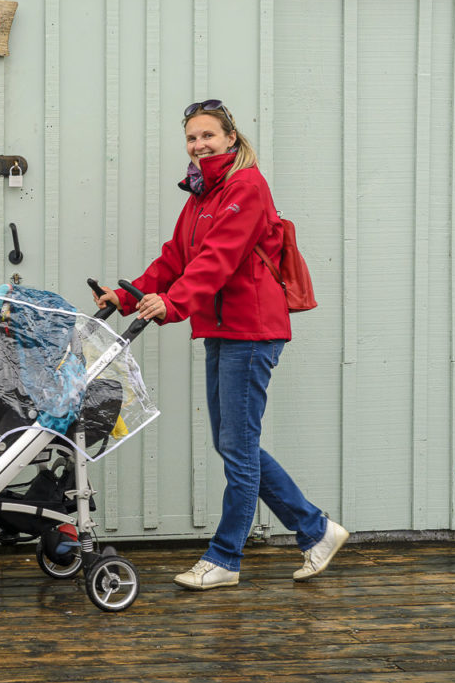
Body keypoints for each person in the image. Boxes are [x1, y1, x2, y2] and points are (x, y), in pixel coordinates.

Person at [93, 99, 348, 590]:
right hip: (224, 329)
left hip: (253, 331)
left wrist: (174, 304)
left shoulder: (245, 188)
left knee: (237, 447)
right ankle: (315, 530)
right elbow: (176, 258)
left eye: (208, 135)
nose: (199, 144)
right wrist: (127, 296)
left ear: (231, 138)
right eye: (191, 138)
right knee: (234, 444)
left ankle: (226, 558)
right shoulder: (201, 196)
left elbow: (218, 260)